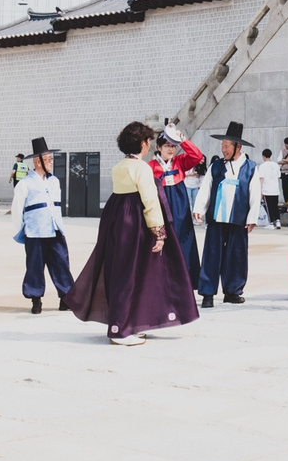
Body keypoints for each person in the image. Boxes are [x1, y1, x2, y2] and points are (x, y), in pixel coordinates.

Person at [65, 121, 198, 345]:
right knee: (133, 274)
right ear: (142, 144)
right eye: (148, 141)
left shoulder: (119, 167)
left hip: (117, 220)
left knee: (122, 272)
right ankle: (120, 329)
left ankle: (130, 322)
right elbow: (150, 201)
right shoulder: (142, 168)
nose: (149, 145)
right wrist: (159, 233)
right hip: (136, 223)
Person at [193, 120, 260, 307]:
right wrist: (199, 207)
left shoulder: (251, 167)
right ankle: (207, 293)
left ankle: (232, 291)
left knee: (237, 255)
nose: (223, 149)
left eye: (226, 146)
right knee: (211, 254)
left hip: (238, 218)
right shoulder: (215, 166)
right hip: (216, 217)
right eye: (222, 146)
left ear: (238, 146)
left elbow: (255, 193)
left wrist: (252, 217)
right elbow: (206, 188)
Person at [11, 137, 74, 314]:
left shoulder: (54, 181)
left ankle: (66, 298)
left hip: (55, 229)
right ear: (38, 162)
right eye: (48, 160)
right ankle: (36, 299)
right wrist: (21, 230)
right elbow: (17, 209)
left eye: (51, 159)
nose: (51, 163)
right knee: (35, 266)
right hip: (35, 231)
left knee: (61, 263)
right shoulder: (25, 183)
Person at [148, 124, 204, 285]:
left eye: (173, 146)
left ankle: (185, 279)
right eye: (167, 146)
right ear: (159, 147)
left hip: (180, 205)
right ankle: (161, 281)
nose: (171, 149)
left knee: (183, 241)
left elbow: (196, 155)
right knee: (162, 240)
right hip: (160, 204)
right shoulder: (150, 166)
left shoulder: (180, 162)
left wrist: (182, 140)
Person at [258, 148, 282, 229]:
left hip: (266, 189)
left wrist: (260, 190)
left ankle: (271, 223)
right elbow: (278, 178)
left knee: (269, 207)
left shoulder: (262, 166)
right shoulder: (276, 165)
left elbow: (261, 179)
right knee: (275, 206)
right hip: (275, 189)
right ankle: (278, 221)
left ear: (263, 156)